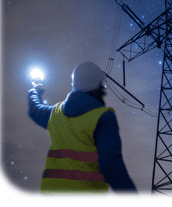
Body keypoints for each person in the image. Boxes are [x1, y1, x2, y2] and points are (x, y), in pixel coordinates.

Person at [28, 61, 137, 194]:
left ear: (74, 84)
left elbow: (35, 110)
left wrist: (35, 90)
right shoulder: (103, 117)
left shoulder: (55, 113)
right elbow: (111, 167)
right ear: (99, 85)